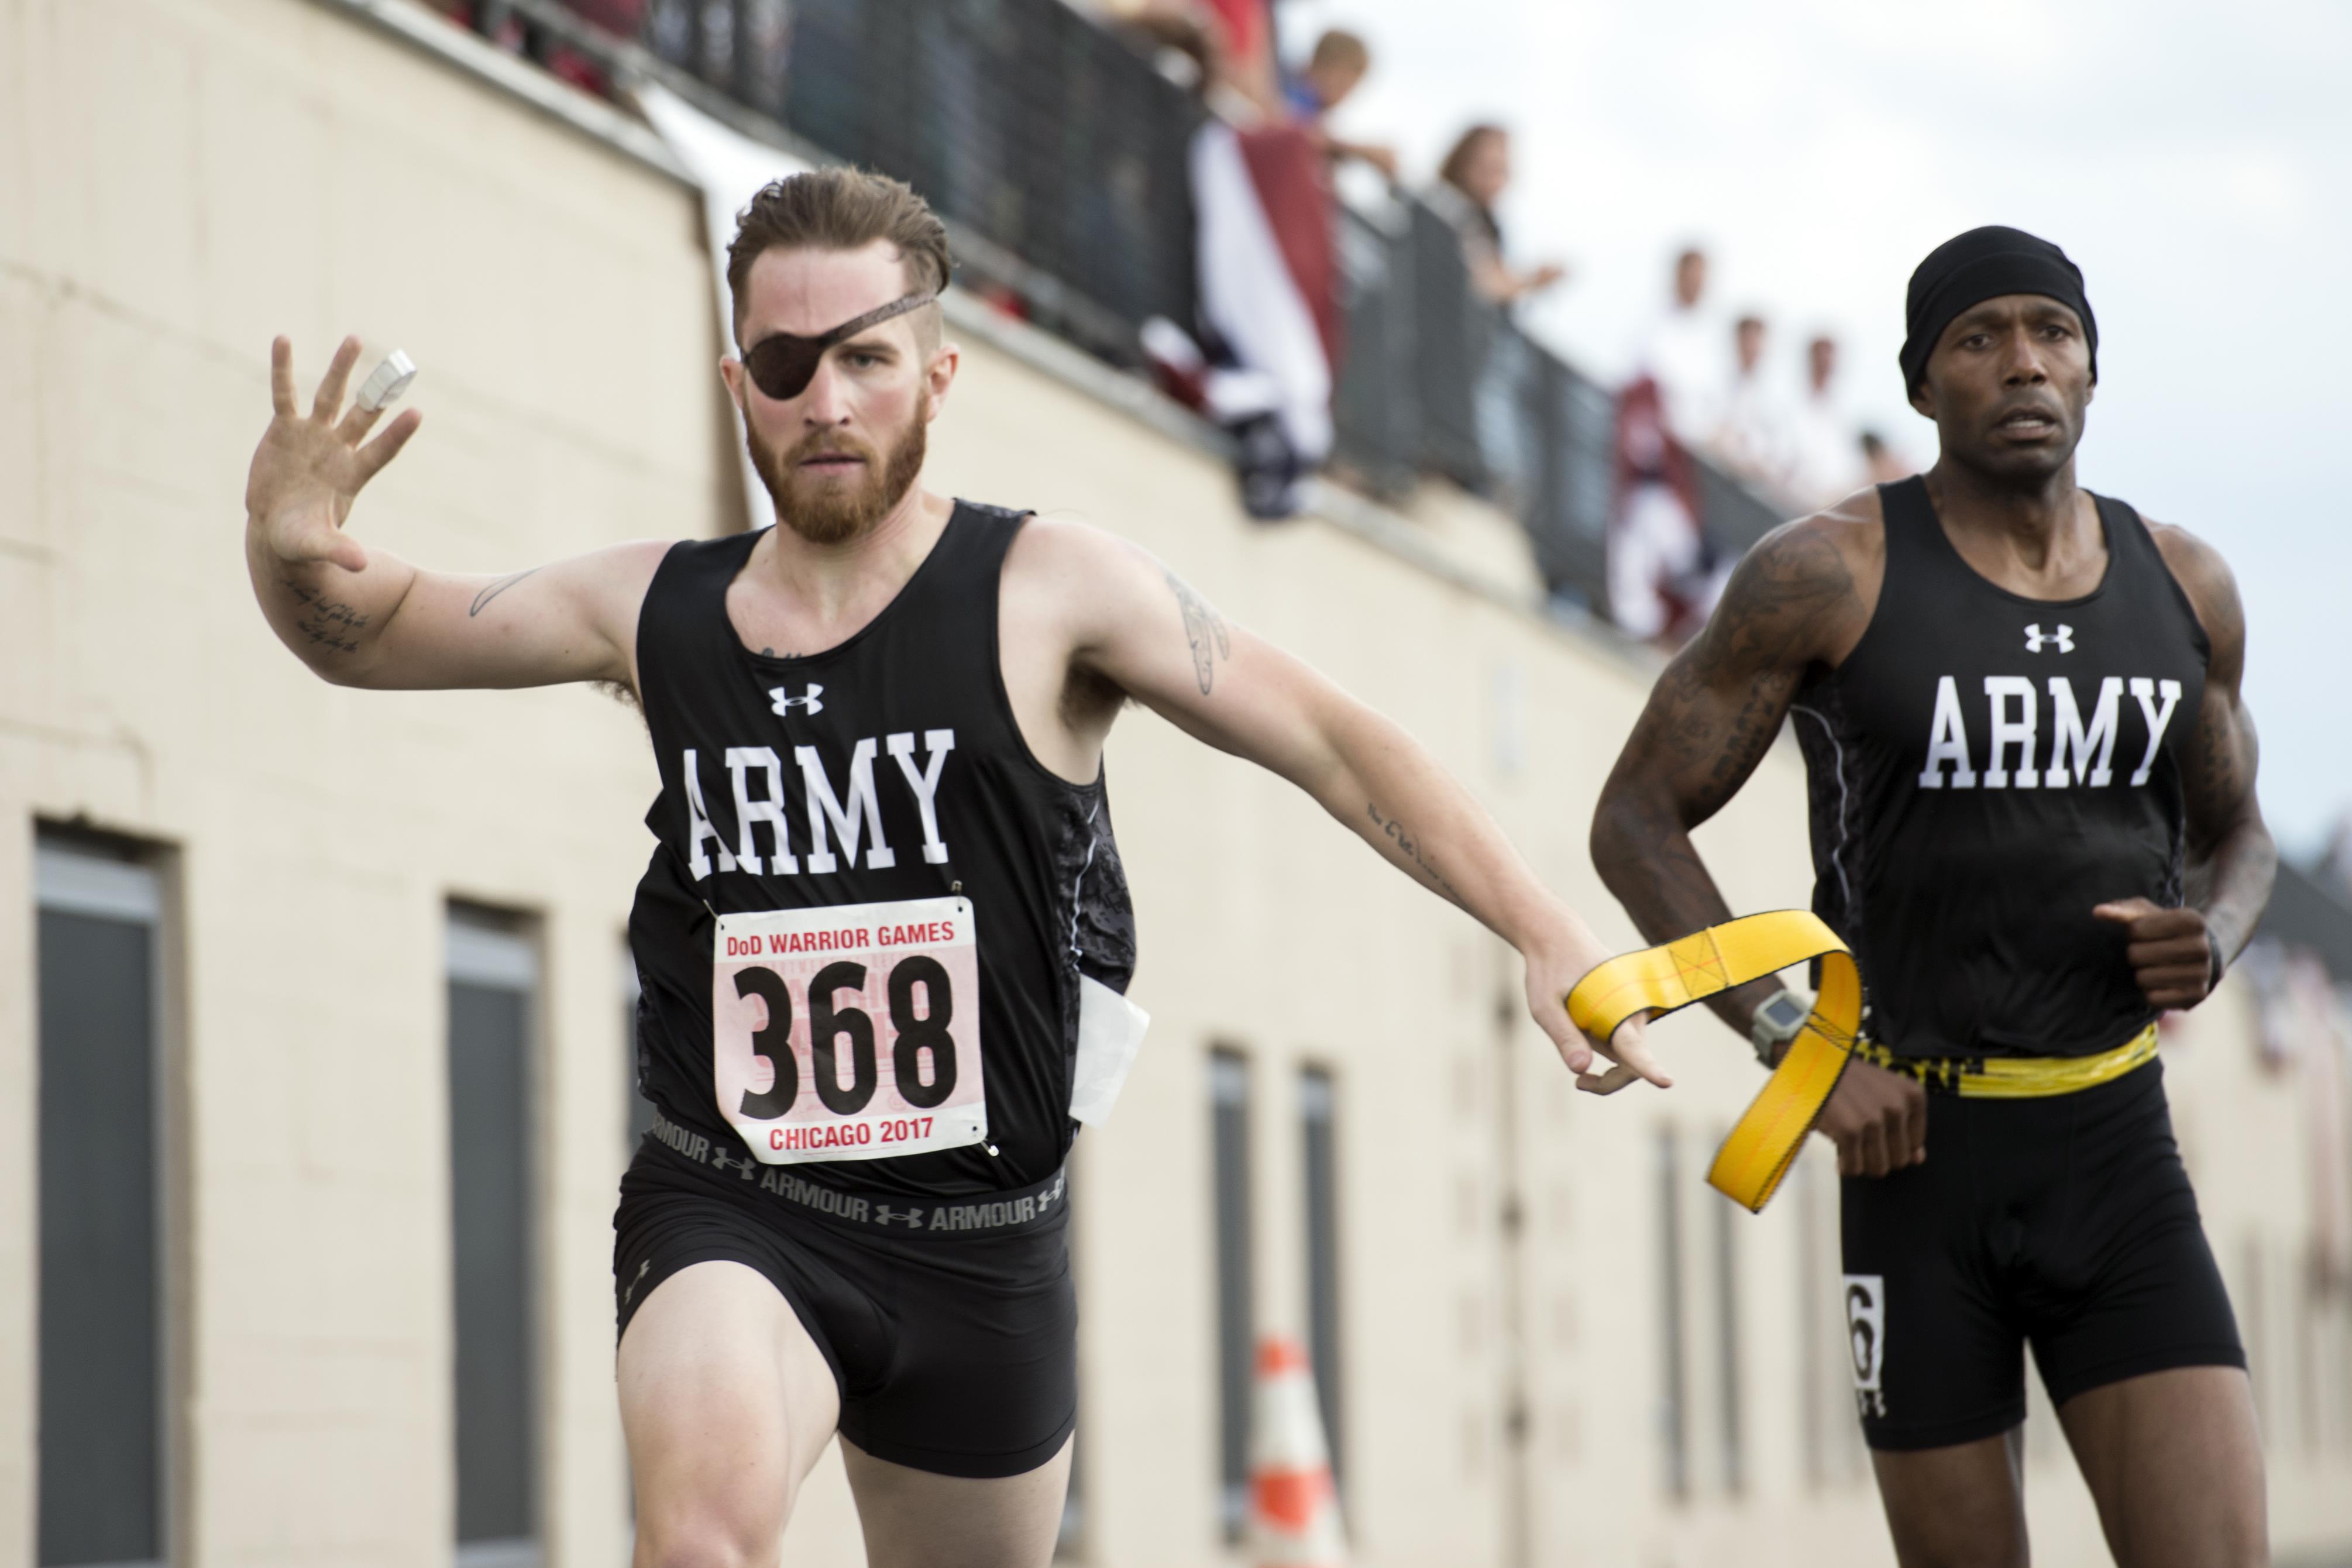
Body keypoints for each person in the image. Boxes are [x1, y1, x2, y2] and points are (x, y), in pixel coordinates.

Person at [242, 168, 1653, 1568]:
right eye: (787, 364)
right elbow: (370, 630)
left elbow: (1334, 742)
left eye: (866, 357)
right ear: (739, 383)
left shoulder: (1051, 592)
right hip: (733, 1199)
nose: (828, 401)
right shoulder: (653, 608)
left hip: (983, 1247)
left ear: (938, 372)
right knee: (701, 1533)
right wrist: (286, 538)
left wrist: (1540, 926)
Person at [1589, 225, 2273, 1567]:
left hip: (2115, 1150)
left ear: (2089, 368)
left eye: (2051, 331)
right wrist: (1796, 1042)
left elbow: (2238, 835)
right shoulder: (1825, 573)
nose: (2023, 360)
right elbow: (1633, 820)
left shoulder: (2182, 585)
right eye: (1980, 337)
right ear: (1921, 383)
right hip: (1912, 1159)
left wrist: (2214, 939)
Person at [1430, 125, 1566, 306]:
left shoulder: (1487, 224)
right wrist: (1531, 283)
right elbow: (1483, 282)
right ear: (1464, 164)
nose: (1495, 181)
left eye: (1502, 171)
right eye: (1488, 168)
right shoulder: (1445, 207)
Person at [1281, 27, 1399, 178]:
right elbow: (1304, 138)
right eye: (1344, 84)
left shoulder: (1310, 106)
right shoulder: (1295, 96)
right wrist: (1365, 153)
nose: (1346, 96)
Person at [1711, 312, 1788, 490]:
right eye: (1747, 339)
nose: (1751, 347)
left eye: (1756, 340)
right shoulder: (1716, 383)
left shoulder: (1773, 400)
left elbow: (1776, 453)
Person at [1785, 332, 1862, 508]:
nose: (1826, 367)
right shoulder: (1789, 406)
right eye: (1821, 360)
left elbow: (1848, 470)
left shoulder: (1839, 417)